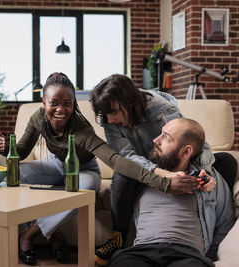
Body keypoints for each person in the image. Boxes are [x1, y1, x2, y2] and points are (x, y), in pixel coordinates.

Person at [0, 72, 198, 265]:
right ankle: (53, 235)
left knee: (83, 192)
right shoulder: (38, 118)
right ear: (44, 103)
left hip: (83, 169)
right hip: (53, 164)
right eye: (53, 103)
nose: (60, 109)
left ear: (74, 104)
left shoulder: (80, 127)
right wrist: (4, 148)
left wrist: (163, 181)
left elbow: (116, 160)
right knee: (10, 178)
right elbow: (19, 151)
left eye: (67, 103)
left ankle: (28, 236)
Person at [90, 74, 236, 266]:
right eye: (105, 114)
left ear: (129, 102)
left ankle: (207, 189)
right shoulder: (110, 121)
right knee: (123, 172)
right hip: (142, 167)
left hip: (186, 251)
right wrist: (163, 176)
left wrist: (206, 174)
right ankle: (119, 236)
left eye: (114, 112)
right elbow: (125, 156)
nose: (109, 119)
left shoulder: (162, 110)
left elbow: (189, 140)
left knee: (226, 161)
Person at [108, 118, 235, 267]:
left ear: (186, 151)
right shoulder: (144, 174)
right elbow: (123, 163)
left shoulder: (209, 181)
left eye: (165, 137)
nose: (155, 140)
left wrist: (209, 260)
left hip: (187, 255)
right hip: (141, 253)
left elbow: (224, 225)